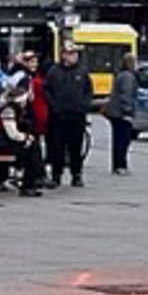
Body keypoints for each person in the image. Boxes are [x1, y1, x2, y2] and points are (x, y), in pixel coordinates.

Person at [43, 44, 94, 188]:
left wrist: (83, 106)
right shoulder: (54, 71)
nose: (71, 56)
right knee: (57, 147)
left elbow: (88, 91)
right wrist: (54, 106)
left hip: (76, 116)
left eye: (73, 54)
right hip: (58, 117)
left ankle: (76, 175)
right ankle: (56, 175)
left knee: (76, 148)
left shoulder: (82, 72)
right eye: (68, 53)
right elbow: (47, 90)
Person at [105, 53, 138, 175]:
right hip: (121, 113)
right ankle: (121, 165)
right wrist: (127, 111)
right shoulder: (128, 77)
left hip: (115, 112)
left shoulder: (121, 74)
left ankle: (117, 165)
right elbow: (126, 94)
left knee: (118, 139)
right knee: (123, 139)